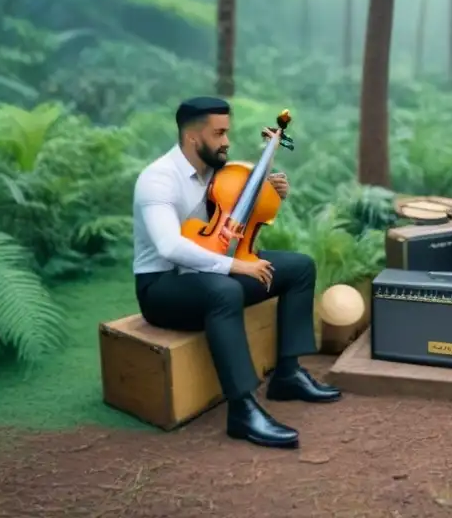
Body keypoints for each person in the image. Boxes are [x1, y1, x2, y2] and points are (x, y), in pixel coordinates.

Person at [132, 97, 342, 450]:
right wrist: (236, 266)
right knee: (224, 292)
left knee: (298, 268)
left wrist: (270, 193)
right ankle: (242, 409)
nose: (227, 141)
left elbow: (239, 218)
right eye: (219, 133)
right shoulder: (157, 179)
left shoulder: (220, 172)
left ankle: (288, 374)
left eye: (226, 132)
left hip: (212, 268)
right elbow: (169, 247)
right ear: (193, 138)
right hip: (164, 286)